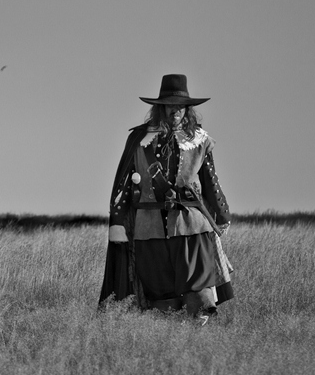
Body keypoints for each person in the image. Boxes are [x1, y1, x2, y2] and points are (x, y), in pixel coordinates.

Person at [99, 74, 234, 324]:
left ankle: (198, 336)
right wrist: (118, 220)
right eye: (170, 105)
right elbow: (124, 183)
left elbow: (211, 180)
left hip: (191, 224)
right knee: (160, 290)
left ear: (188, 109)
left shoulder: (200, 140)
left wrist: (223, 213)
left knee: (198, 284)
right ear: (160, 107)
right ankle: (169, 336)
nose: (176, 110)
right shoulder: (139, 139)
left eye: (180, 106)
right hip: (149, 227)